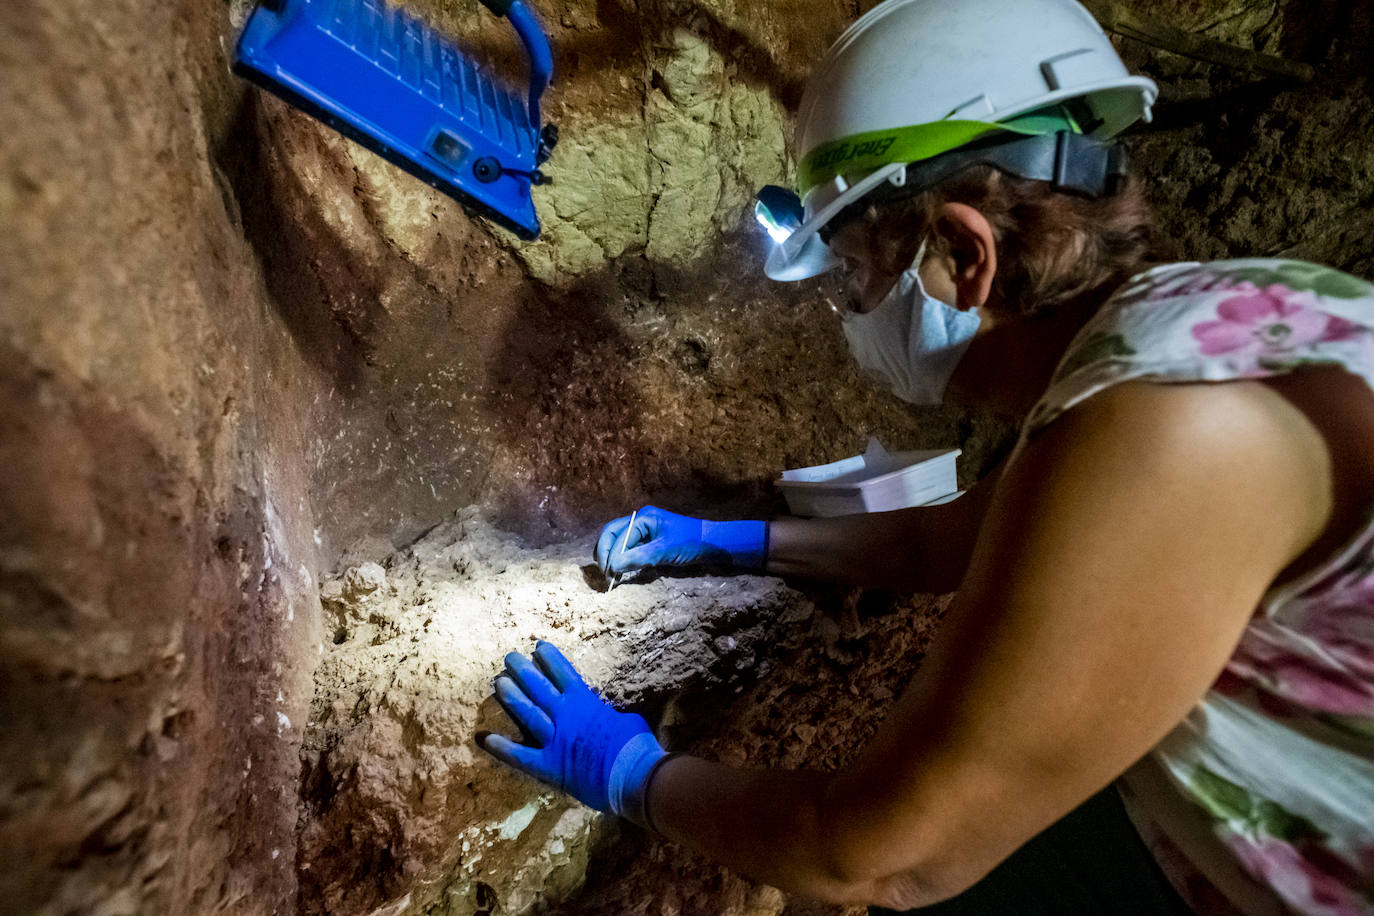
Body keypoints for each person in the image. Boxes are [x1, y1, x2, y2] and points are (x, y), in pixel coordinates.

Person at [479, 0, 1374, 912]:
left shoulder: (1173, 429)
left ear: (960, 251)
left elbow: (879, 859)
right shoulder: (1196, 331)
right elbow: (938, 546)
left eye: (858, 278)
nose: (855, 313)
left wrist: (632, 774)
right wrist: (724, 540)